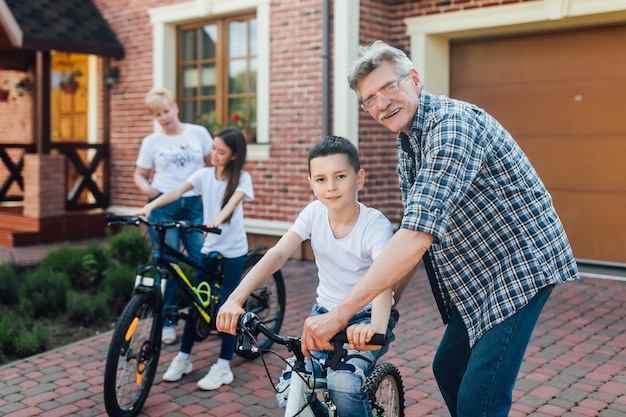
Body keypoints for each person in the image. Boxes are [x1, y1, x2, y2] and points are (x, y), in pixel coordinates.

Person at [301, 40, 580, 417]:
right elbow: (412, 230)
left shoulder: (451, 127)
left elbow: (417, 237)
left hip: (519, 264)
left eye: (389, 87)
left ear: (414, 79)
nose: (381, 103)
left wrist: (341, 314)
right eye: (370, 99)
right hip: (478, 271)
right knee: (448, 369)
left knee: (480, 398)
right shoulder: (409, 141)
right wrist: (388, 304)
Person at [216, 136, 399, 417]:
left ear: (359, 178)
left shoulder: (375, 226)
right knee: (291, 386)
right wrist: (235, 299)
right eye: (322, 179)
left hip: (366, 315)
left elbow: (384, 279)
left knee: (344, 383)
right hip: (322, 316)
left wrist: (376, 326)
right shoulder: (314, 213)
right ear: (311, 183)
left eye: (340, 176)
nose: (331, 187)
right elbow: (277, 255)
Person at [134, 127, 252, 390]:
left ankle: (223, 366)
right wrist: (150, 206)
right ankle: (183, 357)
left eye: (221, 152)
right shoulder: (203, 174)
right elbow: (176, 192)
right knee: (198, 302)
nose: (214, 155)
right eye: (213, 149)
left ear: (233, 156)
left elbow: (231, 204)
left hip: (232, 247)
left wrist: (215, 221)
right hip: (210, 244)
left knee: (227, 306)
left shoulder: (242, 179)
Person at [134, 87, 213, 345]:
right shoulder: (151, 142)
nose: (164, 117)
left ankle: (204, 311)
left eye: (166, 111)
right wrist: (150, 191)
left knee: (201, 256)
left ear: (176, 107)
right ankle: (168, 319)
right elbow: (140, 174)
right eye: (158, 114)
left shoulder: (198, 133)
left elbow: (214, 165)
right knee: (166, 263)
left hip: (193, 204)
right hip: (163, 205)